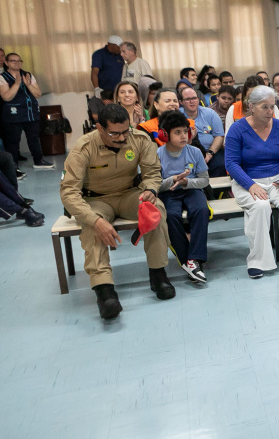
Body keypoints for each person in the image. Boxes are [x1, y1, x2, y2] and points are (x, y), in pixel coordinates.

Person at [60, 104, 175, 320]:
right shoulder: (83, 147)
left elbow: (152, 172)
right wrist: (95, 221)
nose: (122, 138)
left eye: (125, 131)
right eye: (114, 133)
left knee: (156, 209)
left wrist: (150, 188)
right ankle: (104, 291)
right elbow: (68, 192)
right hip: (94, 199)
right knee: (92, 228)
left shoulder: (139, 139)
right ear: (100, 128)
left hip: (128, 194)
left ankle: (158, 274)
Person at [225, 86, 279, 278]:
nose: (270, 111)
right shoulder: (237, 129)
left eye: (272, 107)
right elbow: (231, 163)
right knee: (260, 207)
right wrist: (250, 185)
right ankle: (258, 261)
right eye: (264, 107)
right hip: (247, 181)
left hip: (277, 180)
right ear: (251, 106)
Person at [156, 110, 210, 283]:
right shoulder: (157, 155)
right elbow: (154, 186)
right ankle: (188, 260)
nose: (183, 136)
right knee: (171, 215)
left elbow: (204, 181)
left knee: (201, 209)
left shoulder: (194, 152)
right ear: (165, 135)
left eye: (185, 132)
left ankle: (194, 259)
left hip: (192, 189)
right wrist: (172, 180)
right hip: (168, 192)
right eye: (177, 132)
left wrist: (187, 182)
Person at [1, 52, 54, 170]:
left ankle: (38, 161)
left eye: (19, 61)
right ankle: (13, 167)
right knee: (13, 141)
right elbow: (6, 97)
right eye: (13, 61)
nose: (17, 63)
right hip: (13, 115)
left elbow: (38, 94)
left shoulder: (28, 75)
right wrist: (16, 84)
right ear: (6, 63)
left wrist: (28, 85)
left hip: (31, 113)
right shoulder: (2, 77)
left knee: (34, 138)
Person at [178, 85, 226, 177]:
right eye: (188, 99)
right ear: (181, 102)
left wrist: (210, 154)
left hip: (210, 151)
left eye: (194, 98)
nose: (192, 102)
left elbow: (219, 136)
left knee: (221, 165)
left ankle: (216, 191)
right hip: (186, 153)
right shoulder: (177, 115)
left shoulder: (210, 113)